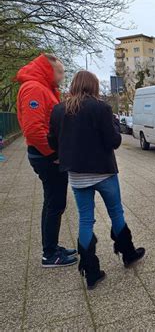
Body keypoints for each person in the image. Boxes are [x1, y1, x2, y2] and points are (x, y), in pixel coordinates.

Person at [48, 70, 145, 290]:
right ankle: (128, 254)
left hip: (77, 176)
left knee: (85, 220)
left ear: (73, 85)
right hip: (104, 172)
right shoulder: (101, 108)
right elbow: (114, 141)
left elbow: (53, 142)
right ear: (93, 86)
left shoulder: (58, 110)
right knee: (116, 212)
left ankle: (91, 271)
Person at [16, 54, 78, 267]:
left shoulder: (43, 88)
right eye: (60, 72)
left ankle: (51, 247)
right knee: (55, 203)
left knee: (53, 202)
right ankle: (50, 254)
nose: (62, 76)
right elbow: (34, 130)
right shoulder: (35, 89)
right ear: (48, 70)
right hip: (46, 158)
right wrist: (53, 154)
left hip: (46, 155)